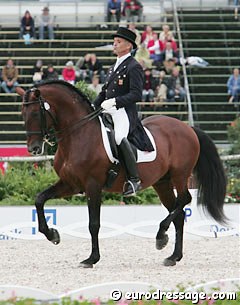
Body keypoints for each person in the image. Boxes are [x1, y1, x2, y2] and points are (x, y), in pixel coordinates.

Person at [94, 27, 154, 196]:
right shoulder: (113, 67)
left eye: (118, 42)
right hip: (108, 110)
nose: (115, 44)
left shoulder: (133, 66)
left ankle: (134, 180)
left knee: (119, 137)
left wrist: (115, 101)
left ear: (128, 46)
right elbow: (104, 92)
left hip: (124, 113)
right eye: (115, 41)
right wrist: (93, 106)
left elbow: (136, 94)